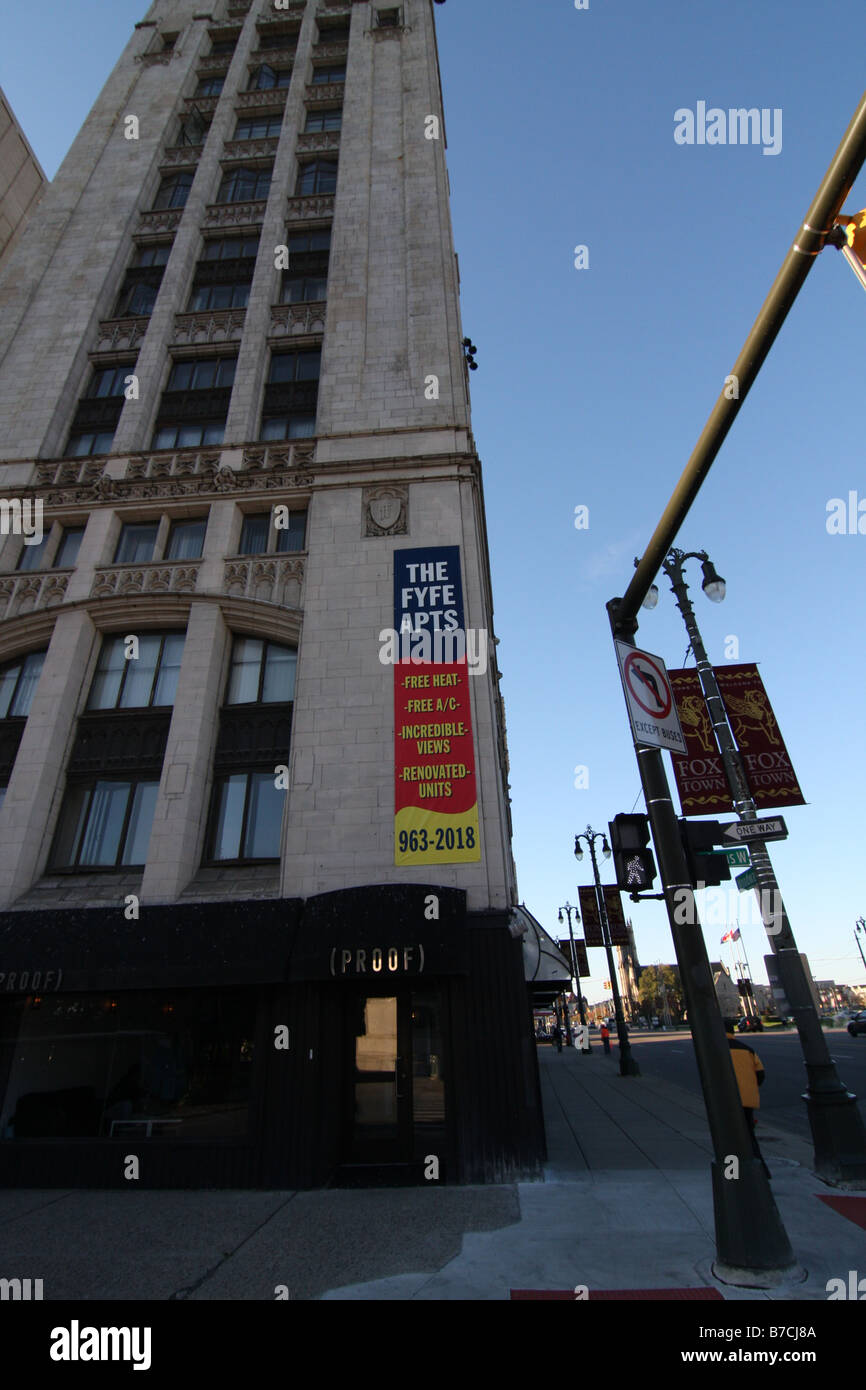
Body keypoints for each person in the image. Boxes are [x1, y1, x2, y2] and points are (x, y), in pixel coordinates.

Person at [724, 1018, 771, 1180]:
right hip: (748, 1099)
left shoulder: (716, 1049)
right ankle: (761, 1172)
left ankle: (732, 1175)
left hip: (726, 1101)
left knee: (730, 1140)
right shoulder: (748, 1050)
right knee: (749, 1136)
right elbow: (761, 1075)